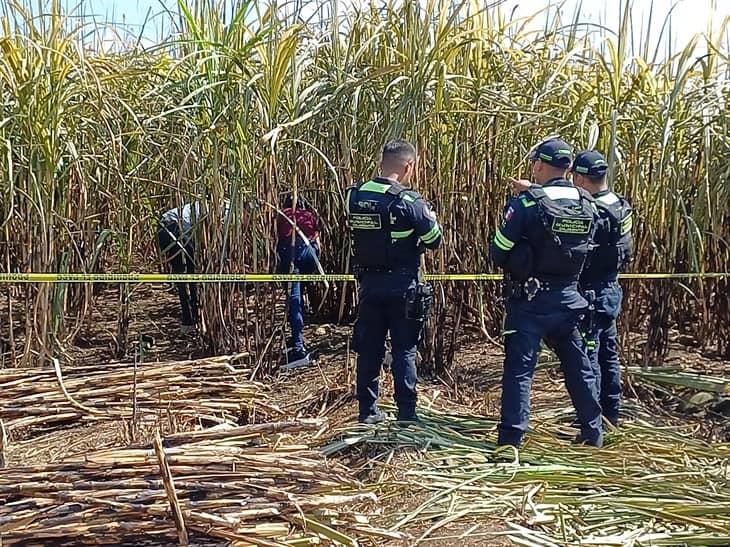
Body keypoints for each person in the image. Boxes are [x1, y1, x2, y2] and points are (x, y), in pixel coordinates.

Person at [490, 138, 603, 447]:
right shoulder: (586, 202)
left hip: (530, 302)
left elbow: (498, 251)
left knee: (520, 372)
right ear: (568, 168)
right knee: (579, 369)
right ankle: (593, 433)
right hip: (570, 299)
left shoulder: (527, 203)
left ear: (539, 165)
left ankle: (511, 441)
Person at [347, 139, 443, 425]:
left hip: (370, 285)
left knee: (369, 348)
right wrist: (432, 221)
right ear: (408, 166)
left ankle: (367, 411)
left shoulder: (357, 195)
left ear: (381, 162)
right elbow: (434, 240)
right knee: (404, 350)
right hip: (404, 287)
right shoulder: (408, 201)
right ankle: (407, 414)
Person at [571, 150, 633, 427]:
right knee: (609, 354)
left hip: (593, 293)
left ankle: (593, 421)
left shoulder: (595, 212)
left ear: (582, 179)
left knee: (590, 354)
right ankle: (613, 413)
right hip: (610, 288)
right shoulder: (620, 205)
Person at [157, 200, 230, 333]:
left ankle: (193, 317)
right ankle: (189, 318)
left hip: (172, 225)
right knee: (183, 274)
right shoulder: (229, 213)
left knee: (189, 271)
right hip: (174, 228)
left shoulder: (226, 206)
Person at [275, 194, 322, 369]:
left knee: (294, 299)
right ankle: (297, 338)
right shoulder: (309, 215)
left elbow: (274, 239)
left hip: (291, 252)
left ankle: (297, 346)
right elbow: (318, 242)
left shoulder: (281, 214)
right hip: (310, 252)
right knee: (298, 296)